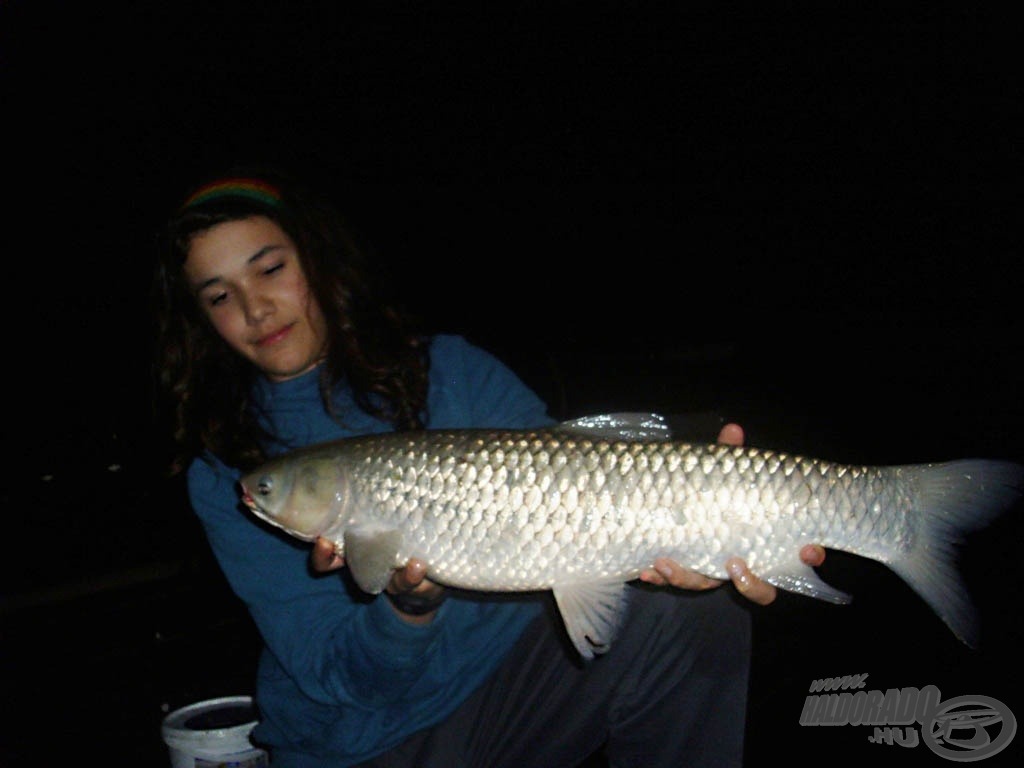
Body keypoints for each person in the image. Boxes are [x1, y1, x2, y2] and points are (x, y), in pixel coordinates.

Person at [152, 166, 826, 768]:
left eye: (269, 268)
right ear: (201, 319)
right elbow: (342, 679)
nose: (253, 307)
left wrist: (706, 520)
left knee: (690, 615)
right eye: (219, 296)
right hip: (369, 741)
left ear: (316, 260)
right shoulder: (222, 471)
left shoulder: (448, 368)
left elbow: (574, 486)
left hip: (514, 688)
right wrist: (409, 610)